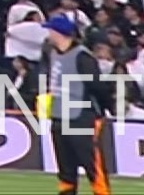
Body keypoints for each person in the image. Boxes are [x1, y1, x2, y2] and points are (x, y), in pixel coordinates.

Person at [36, 13, 103, 195]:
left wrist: (100, 111)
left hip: (79, 117)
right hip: (59, 116)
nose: (48, 34)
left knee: (92, 166)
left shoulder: (83, 57)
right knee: (65, 169)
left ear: (58, 33)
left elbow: (97, 86)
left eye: (51, 30)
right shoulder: (52, 54)